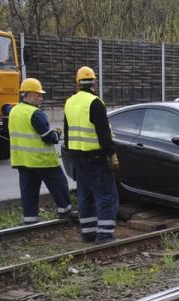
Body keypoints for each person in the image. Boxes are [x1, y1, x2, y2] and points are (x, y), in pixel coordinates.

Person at [64, 66, 119, 243]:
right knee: (105, 195)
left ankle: (88, 232)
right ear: (94, 83)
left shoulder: (70, 102)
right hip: (95, 157)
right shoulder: (95, 103)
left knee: (85, 194)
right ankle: (104, 234)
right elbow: (104, 133)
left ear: (77, 83)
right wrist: (112, 154)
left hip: (77, 157)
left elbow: (66, 132)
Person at [8, 77, 75, 225]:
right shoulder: (35, 113)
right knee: (60, 185)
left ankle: (30, 221)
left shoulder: (14, 111)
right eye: (38, 95)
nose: (41, 98)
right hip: (42, 161)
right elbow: (48, 137)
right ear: (30, 94)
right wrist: (57, 133)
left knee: (29, 193)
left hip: (22, 161)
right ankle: (66, 213)